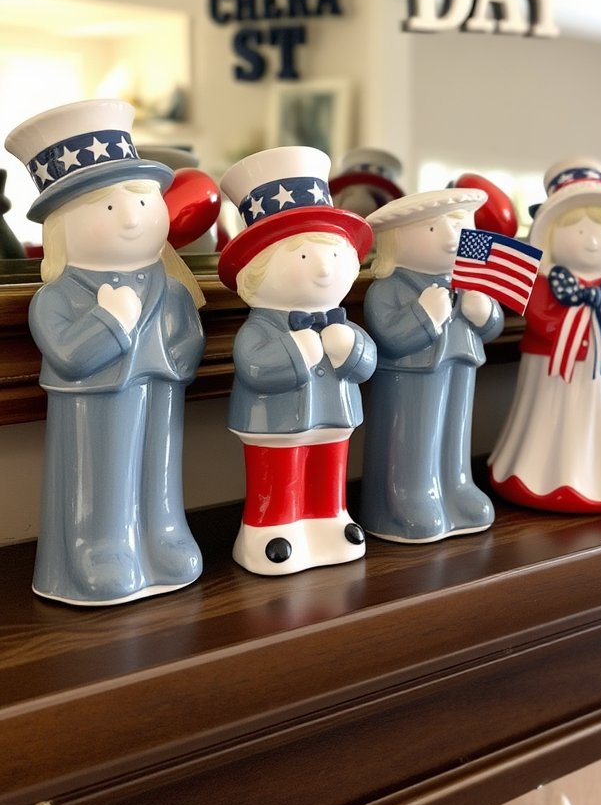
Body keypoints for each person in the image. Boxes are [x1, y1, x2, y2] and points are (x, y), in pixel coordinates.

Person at [5, 100, 205, 605]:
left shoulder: (172, 286)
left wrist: (182, 359)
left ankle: (164, 534)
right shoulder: (58, 297)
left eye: (141, 201)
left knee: (160, 466)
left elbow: (189, 338)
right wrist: (109, 320)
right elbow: (70, 356)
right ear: (61, 227)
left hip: (162, 389)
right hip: (96, 401)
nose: (132, 219)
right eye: (109, 207)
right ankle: (97, 545)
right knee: (103, 472)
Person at [219, 147, 375, 572]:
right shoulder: (261, 327)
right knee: (279, 471)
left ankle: (331, 520)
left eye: (335, 253)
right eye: (305, 255)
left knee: (329, 466)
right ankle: (270, 528)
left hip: (335, 415)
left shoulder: (341, 321)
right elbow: (253, 366)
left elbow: (366, 366)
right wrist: (298, 349)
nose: (325, 268)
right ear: (257, 269)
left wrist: (353, 349)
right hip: (276, 423)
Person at [489, 156, 601, 512]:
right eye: (579, 231)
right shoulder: (545, 285)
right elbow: (540, 318)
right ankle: (542, 476)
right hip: (552, 373)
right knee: (553, 424)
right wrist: (568, 319)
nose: (592, 242)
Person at [361, 187, 503, 543]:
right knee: (415, 436)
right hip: (412, 375)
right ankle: (407, 496)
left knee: (455, 431)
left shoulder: (468, 282)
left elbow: (492, 324)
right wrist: (425, 315)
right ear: (397, 241)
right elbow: (391, 337)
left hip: (462, 363)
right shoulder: (387, 288)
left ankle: (456, 486)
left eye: (458, 226)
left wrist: (483, 312)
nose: (451, 239)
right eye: (433, 229)